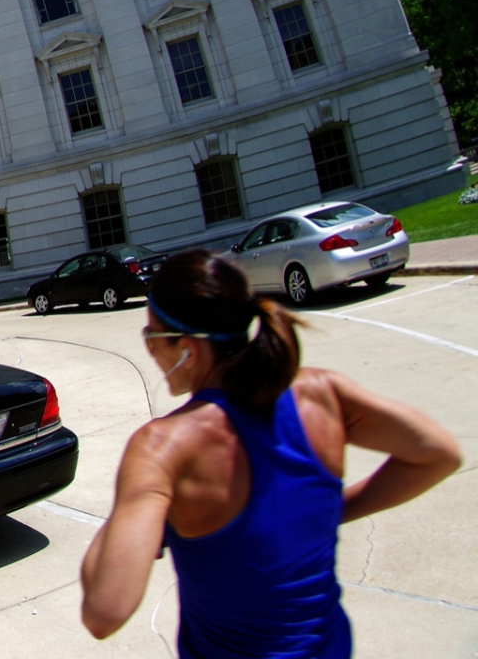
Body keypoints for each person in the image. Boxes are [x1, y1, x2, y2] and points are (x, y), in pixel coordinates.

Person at [80, 250, 461, 656]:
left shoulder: (162, 447)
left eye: (151, 336)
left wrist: (129, 510)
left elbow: (105, 611)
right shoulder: (323, 393)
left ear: (188, 348)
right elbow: (438, 454)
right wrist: (329, 509)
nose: (149, 350)